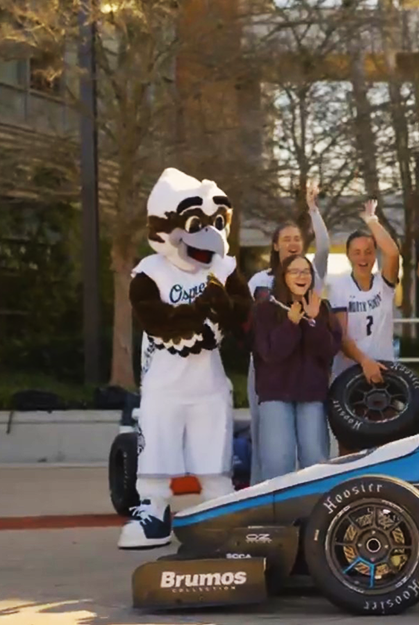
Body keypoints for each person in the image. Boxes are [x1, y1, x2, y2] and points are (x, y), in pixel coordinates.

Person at [120, 168, 252, 549]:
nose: (208, 235)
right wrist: (199, 314)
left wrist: (222, 309)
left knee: (214, 449)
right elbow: (154, 318)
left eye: (216, 224)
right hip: (164, 383)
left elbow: (241, 314)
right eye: (197, 223)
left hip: (208, 382)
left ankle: (218, 507)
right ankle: (154, 508)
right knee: (157, 443)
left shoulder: (224, 269)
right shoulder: (151, 271)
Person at [246, 182, 330, 485]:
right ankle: (260, 499)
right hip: (268, 374)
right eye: (287, 239)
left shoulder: (312, 277)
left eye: (297, 238)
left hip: (307, 379)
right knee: (269, 446)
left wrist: (313, 210)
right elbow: (256, 332)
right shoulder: (260, 282)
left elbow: (323, 246)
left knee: (313, 452)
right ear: (275, 245)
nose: (293, 243)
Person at [251, 254, 343, 481]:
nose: (302, 276)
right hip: (276, 395)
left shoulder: (321, 308)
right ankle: (277, 513)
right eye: (295, 271)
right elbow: (270, 353)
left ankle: (313, 512)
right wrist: (291, 323)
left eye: (306, 272)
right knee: (277, 460)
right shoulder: (265, 309)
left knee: (315, 460)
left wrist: (313, 321)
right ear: (284, 277)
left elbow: (329, 351)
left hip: (312, 394)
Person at [330, 199, 401, 384]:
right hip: (349, 372)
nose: (363, 258)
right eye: (357, 252)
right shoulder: (339, 285)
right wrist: (365, 362)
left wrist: (372, 221)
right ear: (348, 255)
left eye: (368, 251)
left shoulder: (383, 283)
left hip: (384, 368)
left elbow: (392, 253)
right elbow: (341, 336)